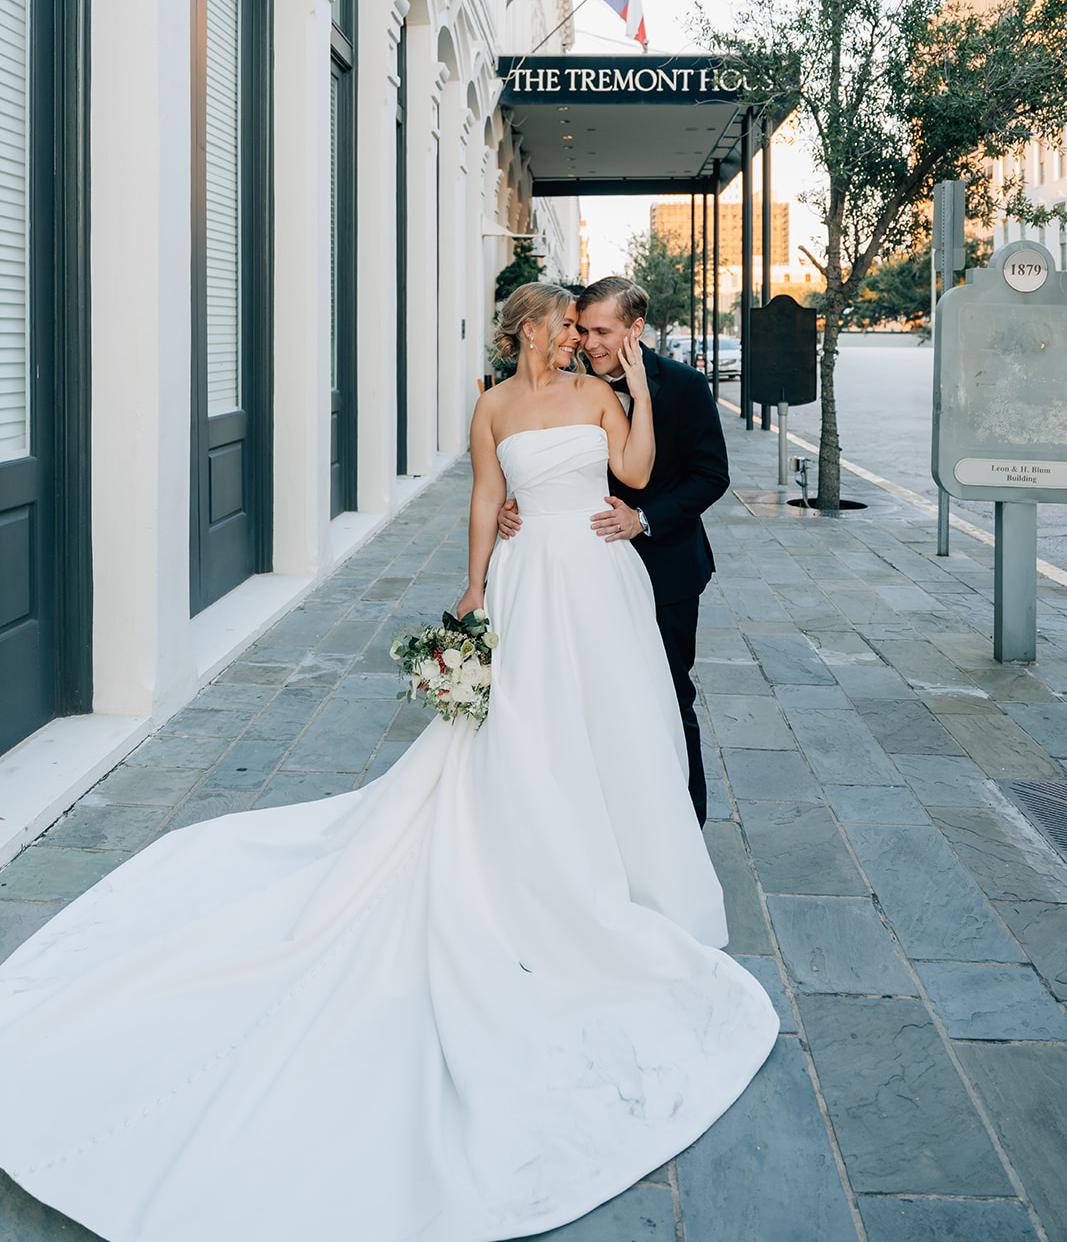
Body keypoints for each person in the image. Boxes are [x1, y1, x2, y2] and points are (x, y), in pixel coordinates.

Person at [0, 283, 777, 1242]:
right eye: (566, 324)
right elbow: (488, 497)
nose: (578, 336)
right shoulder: (492, 405)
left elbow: (638, 467)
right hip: (532, 582)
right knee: (530, 728)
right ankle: (545, 857)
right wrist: (473, 584)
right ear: (532, 329)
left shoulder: (606, 394)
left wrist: (639, 399)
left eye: (590, 326)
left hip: (606, 576)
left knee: (630, 719)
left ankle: (635, 858)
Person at [498, 276, 729, 826]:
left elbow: (711, 476)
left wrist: (644, 518)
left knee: (667, 692)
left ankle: (682, 824)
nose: (589, 342)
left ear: (636, 328)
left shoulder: (685, 385)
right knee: (591, 696)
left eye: (601, 331)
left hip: (665, 566)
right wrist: (518, 501)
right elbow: (549, 454)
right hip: (584, 574)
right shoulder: (574, 382)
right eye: (582, 329)